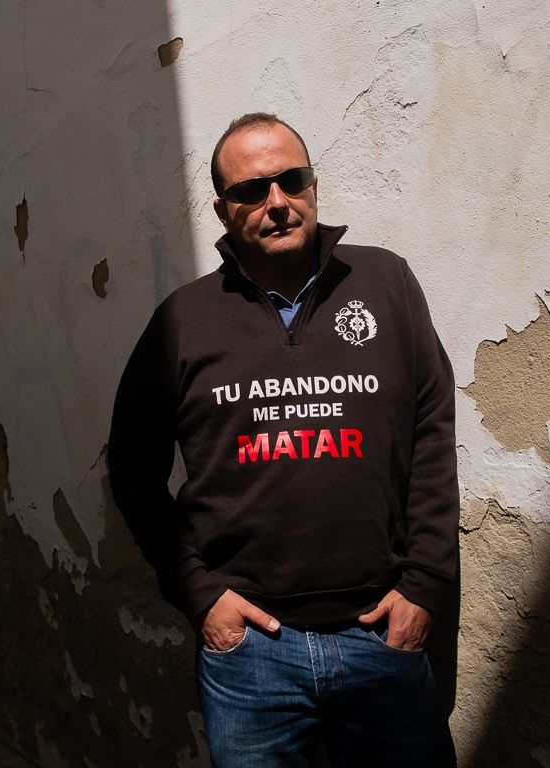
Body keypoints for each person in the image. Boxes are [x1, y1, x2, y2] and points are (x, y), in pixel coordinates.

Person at [107, 112, 458, 766]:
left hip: (381, 636)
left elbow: (433, 427)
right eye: (251, 191)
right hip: (251, 658)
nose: (277, 203)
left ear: (313, 185)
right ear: (223, 210)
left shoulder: (384, 284)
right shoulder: (182, 321)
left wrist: (425, 586)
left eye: (291, 181)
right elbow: (131, 469)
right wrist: (201, 596)